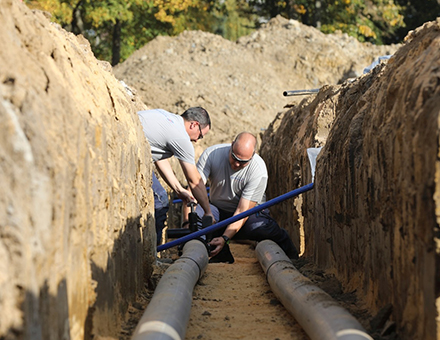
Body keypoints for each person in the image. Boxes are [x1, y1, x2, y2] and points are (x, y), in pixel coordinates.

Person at [188, 132, 298, 263]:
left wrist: (225, 238)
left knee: (259, 227)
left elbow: (242, 211)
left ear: (253, 155)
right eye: (234, 158)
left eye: (242, 162)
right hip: (217, 209)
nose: (236, 164)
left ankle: (290, 254)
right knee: (199, 216)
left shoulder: (258, 170)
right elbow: (195, 187)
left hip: (248, 214)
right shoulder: (212, 155)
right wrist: (192, 221)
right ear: (232, 145)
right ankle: (216, 254)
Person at [137, 107, 215, 245]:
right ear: (194, 125)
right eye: (200, 135)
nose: (197, 140)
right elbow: (194, 179)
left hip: (131, 149)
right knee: (160, 201)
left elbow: (159, 159)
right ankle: (153, 255)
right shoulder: (180, 136)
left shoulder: (167, 118)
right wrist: (208, 212)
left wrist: (179, 189)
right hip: (129, 154)